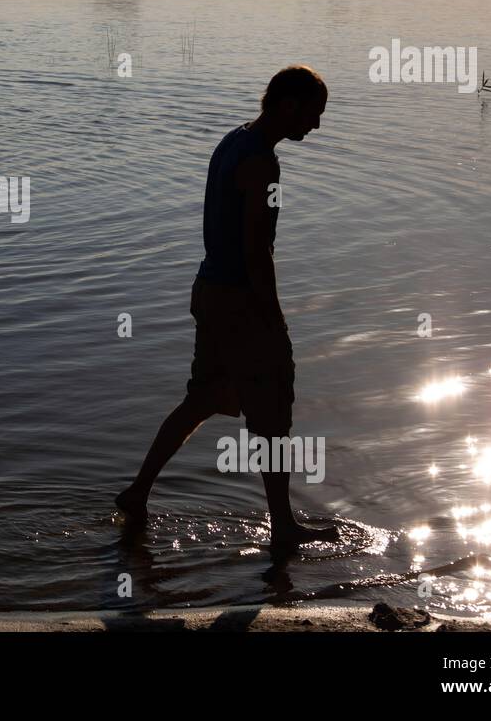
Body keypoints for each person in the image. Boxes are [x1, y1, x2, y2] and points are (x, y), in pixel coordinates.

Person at [115, 65, 337, 556]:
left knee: (205, 397)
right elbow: (258, 250)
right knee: (273, 411)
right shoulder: (262, 163)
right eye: (314, 114)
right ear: (288, 105)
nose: (317, 125)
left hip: (209, 291)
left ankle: (137, 493)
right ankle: (282, 528)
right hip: (240, 301)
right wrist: (274, 319)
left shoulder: (232, 140)